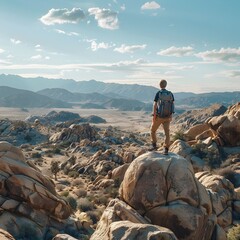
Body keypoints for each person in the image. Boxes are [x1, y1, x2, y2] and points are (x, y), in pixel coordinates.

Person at [149, 79, 174, 155]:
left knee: (152, 130)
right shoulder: (170, 94)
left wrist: (154, 115)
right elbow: (172, 104)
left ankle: (154, 145)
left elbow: (155, 104)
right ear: (166, 85)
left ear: (160, 85)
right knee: (167, 133)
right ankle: (166, 149)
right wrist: (171, 115)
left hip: (159, 116)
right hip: (167, 116)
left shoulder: (159, 93)